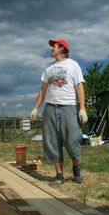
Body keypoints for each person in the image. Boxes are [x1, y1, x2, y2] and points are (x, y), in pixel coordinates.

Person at [30, 39, 88, 184]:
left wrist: (82, 108)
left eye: (53, 47)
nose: (51, 49)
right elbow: (43, 89)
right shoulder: (48, 68)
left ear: (62, 48)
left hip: (67, 108)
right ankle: (59, 175)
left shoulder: (73, 65)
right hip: (50, 108)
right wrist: (36, 107)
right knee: (52, 141)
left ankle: (76, 170)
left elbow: (79, 87)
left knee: (72, 140)